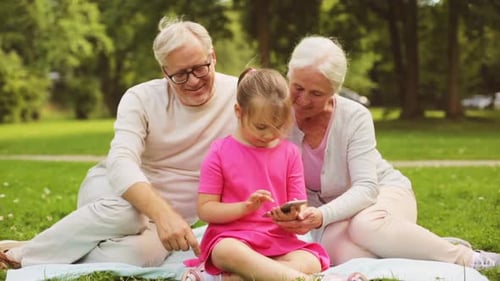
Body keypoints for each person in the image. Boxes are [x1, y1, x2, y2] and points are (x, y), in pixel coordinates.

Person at [0, 17, 239, 269]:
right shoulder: (141, 98)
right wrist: (162, 213)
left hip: (168, 221)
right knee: (128, 215)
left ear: (213, 56)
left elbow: (276, 129)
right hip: (113, 195)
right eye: (180, 74)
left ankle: (44, 245)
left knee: (137, 259)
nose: (192, 81)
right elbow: (121, 162)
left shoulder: (240, 95)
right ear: (164, 72)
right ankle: (22, 256)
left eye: (199, 68)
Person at [275, 35, 500, 270]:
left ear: (334, 90)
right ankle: (418, 246)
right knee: (349, 258)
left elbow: (366, 188)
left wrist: (321, 215)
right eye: (298, 88)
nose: (303, 100)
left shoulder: (354, 117)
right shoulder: (276, 116)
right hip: (333, 218)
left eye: (316, 94)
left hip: (383, 195)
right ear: (289, 75)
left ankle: (467, 258)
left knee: (366, 225)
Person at [181, 68, 367, 281]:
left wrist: (292, 215)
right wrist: (245, 208)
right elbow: (206, 210)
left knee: (311, 260)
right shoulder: (220, 151)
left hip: (278, 241)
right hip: (233, 239)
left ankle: (241, 276)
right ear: (239, 112)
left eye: (278, 126)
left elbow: (299, 204)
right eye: (261, 127)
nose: (269, 134)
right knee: (226, 251)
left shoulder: (289, 153)